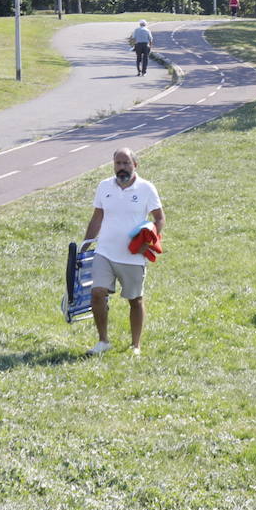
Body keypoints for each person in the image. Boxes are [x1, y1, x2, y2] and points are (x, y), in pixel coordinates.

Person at [83, 147, 165, 355]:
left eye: (126, 163)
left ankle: (135, 345)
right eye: (118, 164)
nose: (122, 168)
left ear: (135, 165)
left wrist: (151, 240)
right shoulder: (104, 187)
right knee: (97, 294)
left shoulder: (146, 188)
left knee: (135, 300)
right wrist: (85, 245)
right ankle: (103, 341)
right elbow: (97, 217)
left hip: (133, 255)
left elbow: (159, 218)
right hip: (105, 252)